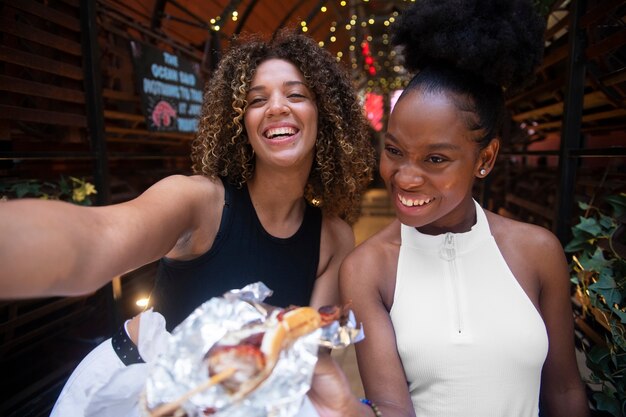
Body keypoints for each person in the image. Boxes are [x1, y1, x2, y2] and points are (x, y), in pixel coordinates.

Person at [0, 29, 375, 324]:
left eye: (296, 95)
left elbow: (314, 362)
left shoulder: (333, 238)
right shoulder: (197, 202)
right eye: (256, 100)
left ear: (326, 116)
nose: (276, 107)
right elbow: (94, 241)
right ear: (239, 123)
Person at [337, 1, 590, 416]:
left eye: (435, 159)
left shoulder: (538, 252)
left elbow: (564, 392)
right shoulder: (367, 268)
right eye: (395, 151)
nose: (405, 177)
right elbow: (391, 408)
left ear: (485, 159)